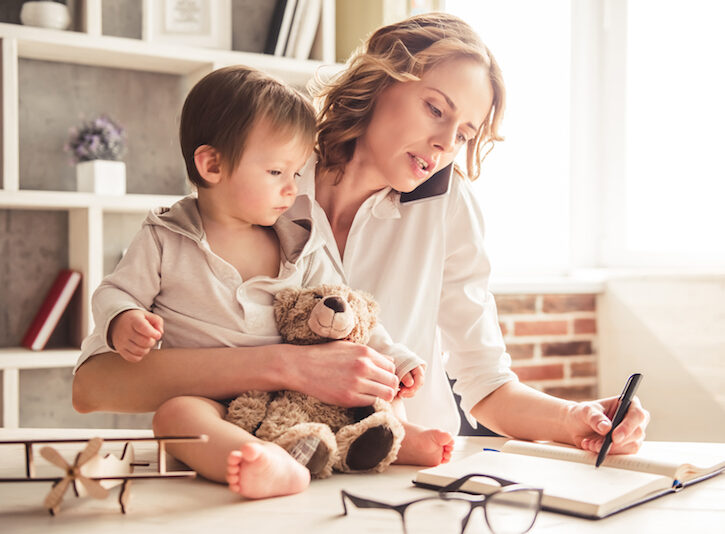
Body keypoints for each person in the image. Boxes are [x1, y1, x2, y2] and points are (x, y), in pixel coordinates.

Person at [73, 12, 648, 497]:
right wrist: (287, 364)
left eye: (467, 132)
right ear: (380, 82)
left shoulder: (449, 208)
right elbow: (96, 386)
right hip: (256, 479)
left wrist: (575, 421)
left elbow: (486, 382)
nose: (448, 143)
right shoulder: (264, 173)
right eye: (436, 109)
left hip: (402, 483)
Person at [73, 65, 434, 499]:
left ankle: (394, 436)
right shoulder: (165, 237)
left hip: (294, 399)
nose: (291, 189)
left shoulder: (301, 240)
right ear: (212, 164)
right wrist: (123, 319)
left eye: (296, 174)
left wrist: (394, 357)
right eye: (276, 173)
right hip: (211, 400)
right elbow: (115, 291)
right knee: (172, 418)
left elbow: (349, 308)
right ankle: (266, 462)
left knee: (370, 388)